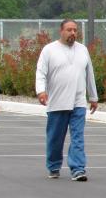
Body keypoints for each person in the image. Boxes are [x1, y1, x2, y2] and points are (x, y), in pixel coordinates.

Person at [36, 19, 98, 182]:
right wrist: (41, 91)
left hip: (78, 102)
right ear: (61, 31)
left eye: (75, 30)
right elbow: (40, 72)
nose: (72, 33)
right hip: (57, 102)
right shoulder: (49, 50)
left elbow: (89, 74)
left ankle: (78, 168)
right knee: (55, 137)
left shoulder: (83, 50)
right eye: (69, 30)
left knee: (78, 136)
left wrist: (93, 97)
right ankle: (54, 165)